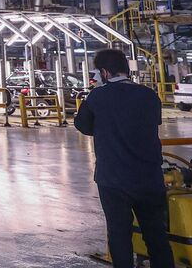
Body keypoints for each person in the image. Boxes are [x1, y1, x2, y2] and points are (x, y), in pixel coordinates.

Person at [74, 49, 174, 268]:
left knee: (119, 235)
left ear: (104, 72)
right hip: (150, 177)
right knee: (156, 235)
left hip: (114, 179)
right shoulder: (150, 95)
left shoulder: (98, 96)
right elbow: (150, 124)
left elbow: (82, 125)